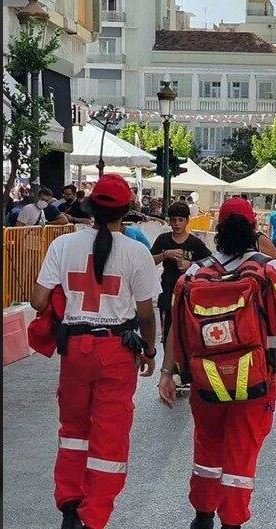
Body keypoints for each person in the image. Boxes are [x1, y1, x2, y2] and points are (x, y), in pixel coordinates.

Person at [158, 197, 276, 529]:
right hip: (256, 377)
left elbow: (177, 329)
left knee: (207, 444)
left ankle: (202, 515)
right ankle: (232, 521)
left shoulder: (195, 272)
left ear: (218, 230)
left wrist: (167, 374)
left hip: (205, 377)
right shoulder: (272, 270)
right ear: (254, 228)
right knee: (242, 451)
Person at [30, 174, 159, 529]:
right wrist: (149, 351)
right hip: (117, 351)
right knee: (109, 436)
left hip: (74, 350)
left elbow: (38, 300)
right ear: (126, 210)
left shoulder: (63, 245)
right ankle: (95, 517)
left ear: (88, 207)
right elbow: (146, 314)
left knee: (73, 430)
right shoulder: (136, 252)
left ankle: (70, 508)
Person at [150, 203, 212, 346]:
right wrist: (165, 254)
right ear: (169, 221)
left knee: (187, 334)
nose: (177, 224)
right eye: (173, 220)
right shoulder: (163, 239)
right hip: (167, 291)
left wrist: (190, 265)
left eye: (180, 220)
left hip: (188, 292)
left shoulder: (195, 243)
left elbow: (210, 262)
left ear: (187, 220)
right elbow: (149, 260)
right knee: (167, 335)